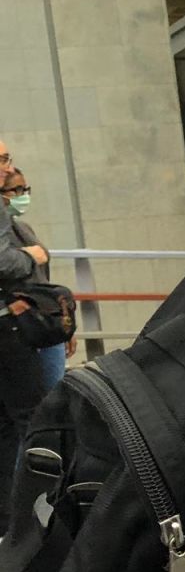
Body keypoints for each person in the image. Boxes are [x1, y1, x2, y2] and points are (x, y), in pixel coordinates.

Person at [0, 144, 51, 533]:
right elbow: (3, 261)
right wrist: (33, 255)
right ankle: (31, 515)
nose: (9, 167)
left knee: (9, 426)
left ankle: (11, 520)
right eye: (2, 160)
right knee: (33, 420)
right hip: (9, 332)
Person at [1, 169, 76, 389]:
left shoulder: (24, 229)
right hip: (18, 326)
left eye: (25, 189)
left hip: (44, 320)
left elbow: (43, 280)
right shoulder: (5, 237)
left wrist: (64, 325)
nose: (22, 195)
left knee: (53, 394)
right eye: (15, 190)